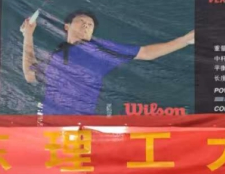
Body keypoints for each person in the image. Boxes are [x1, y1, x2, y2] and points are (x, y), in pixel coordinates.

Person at [22, 9, 194, 115]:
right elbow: (30, 75)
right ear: (67, 26)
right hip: (49, 128)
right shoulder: (56, 54)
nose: (86, 25)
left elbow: (146, 53)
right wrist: (28, 35)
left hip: (80, 128)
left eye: (90, 24)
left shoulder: (100, 50)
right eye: (81, 21)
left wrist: (184, 40)